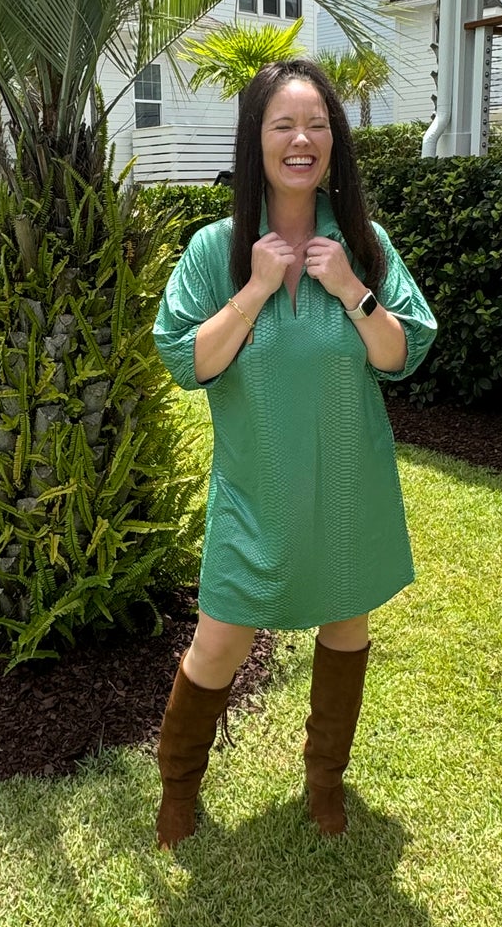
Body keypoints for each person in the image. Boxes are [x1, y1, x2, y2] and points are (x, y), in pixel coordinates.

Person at [151, 57, 437, 848]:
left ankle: (323, 782)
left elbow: (397, 354)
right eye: (283, 124)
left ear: (335, 145)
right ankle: (178, 787)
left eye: (317, 125)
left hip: (348, 483)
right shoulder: (216, 249)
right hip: (256, 488)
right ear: (257, 141)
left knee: (346, 626)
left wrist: (350, 287)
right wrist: (251, 289)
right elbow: (186, 360)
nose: (301, 139)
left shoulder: (363, 245)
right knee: (221, 639)